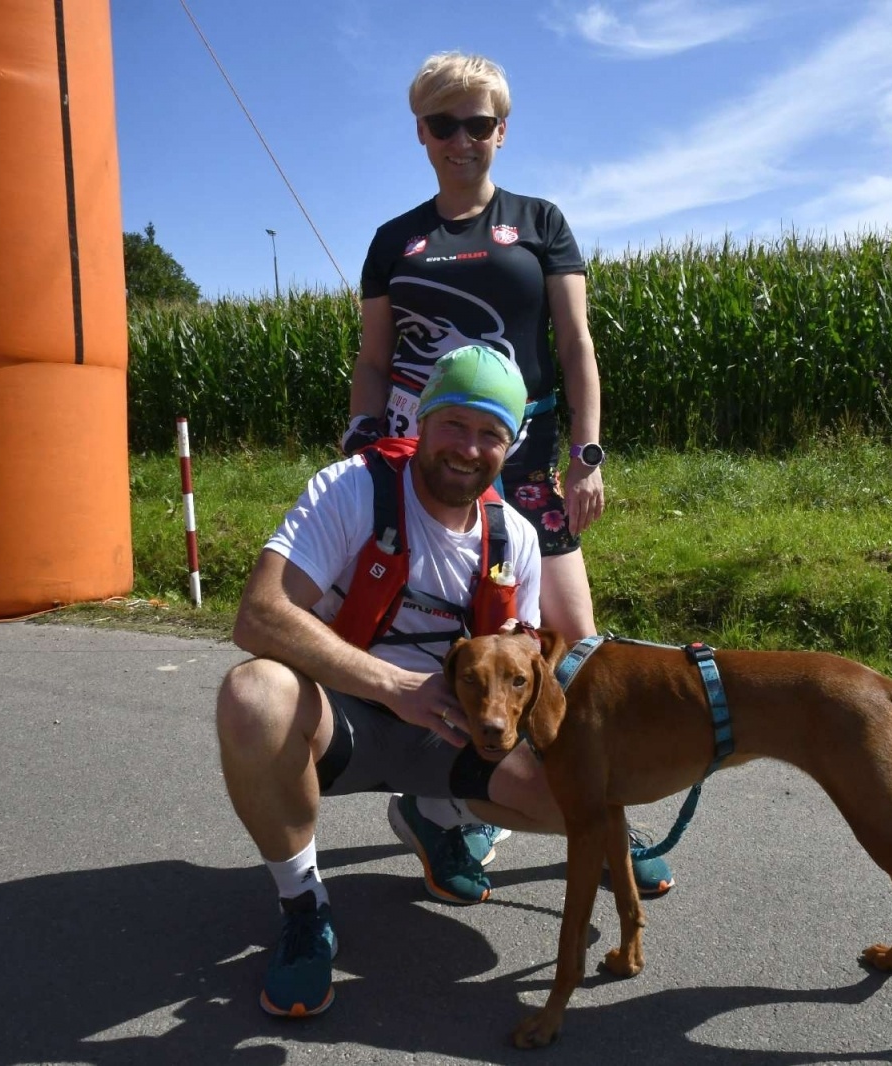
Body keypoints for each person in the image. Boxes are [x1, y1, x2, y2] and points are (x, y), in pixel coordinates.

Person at [217, 348, 654, 1018]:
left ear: (510, 446)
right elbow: (259, 615)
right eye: (453, 424)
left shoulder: (515, 536)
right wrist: (396, 687)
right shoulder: (353, 488)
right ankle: (304, 907)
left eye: (490, 434)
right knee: (253, 696)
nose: (469, 448)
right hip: (342, 717)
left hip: (453, 732)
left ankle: (437, 814)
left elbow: (518, 669)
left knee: (581, 795)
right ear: (421, 421)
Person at [342, 51, 655, 893]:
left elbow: (576, 346)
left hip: (525, 466)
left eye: (477, 123)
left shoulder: (539, 222)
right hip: (425, 473)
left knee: (574, 645)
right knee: (454, 645)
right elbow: (373, 360)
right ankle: (442, 810)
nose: (461, 139)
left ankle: (602, 812)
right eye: (442, 124)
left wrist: (587, 454)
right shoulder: (394, 240)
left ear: (502, 131)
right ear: (421, 133)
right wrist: (361, 441)